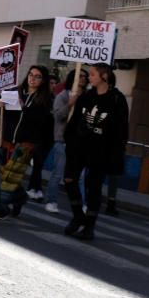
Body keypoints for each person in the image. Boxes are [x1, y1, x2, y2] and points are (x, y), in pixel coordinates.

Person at [63, 63, 129, 240]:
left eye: (92, 74)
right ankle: (78, 216)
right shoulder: (86, 96)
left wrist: (116, 153)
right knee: (69, 179)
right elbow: (75, 120)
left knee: (93, 187)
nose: (89, 77)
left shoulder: (117, 99)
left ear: (104, 76)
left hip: (101, 150)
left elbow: (122, 129)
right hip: (79, 147)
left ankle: (89, 226)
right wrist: (69, 139)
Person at [0, 65, 53, 220]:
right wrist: (1, 106)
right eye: (30, 74)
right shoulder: (16, 92)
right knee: (6, 175)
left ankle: (1, 208)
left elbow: (40, 121)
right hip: (8, 140)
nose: (32, 78)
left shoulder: (45, 99)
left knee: (9, 178)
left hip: (26, 144)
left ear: (43, 80)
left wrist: (24, 108)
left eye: (37, 76)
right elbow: (7, 116)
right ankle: (19, 197)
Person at [44, 67, 88, 213]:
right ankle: (51, 201)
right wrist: (70, 104)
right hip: (63, 140)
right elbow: (57, 116)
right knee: (58, 173)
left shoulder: (88, 97)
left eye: (85, 76)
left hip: (80, 142)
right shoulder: (63, 96)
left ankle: (81, 204)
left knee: (80, 176)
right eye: (79, 76)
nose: (82, 78)